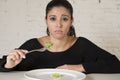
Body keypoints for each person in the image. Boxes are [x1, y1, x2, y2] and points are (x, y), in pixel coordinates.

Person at [0, 0, 120, 74]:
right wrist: (8, 65)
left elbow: (115, 64)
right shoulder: (33, 45)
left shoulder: (82, 45)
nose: (58, 24)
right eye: (53, 19)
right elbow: (4, 66)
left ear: (71, 21)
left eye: (64, 19)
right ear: (46, 21)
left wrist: (77, 67)